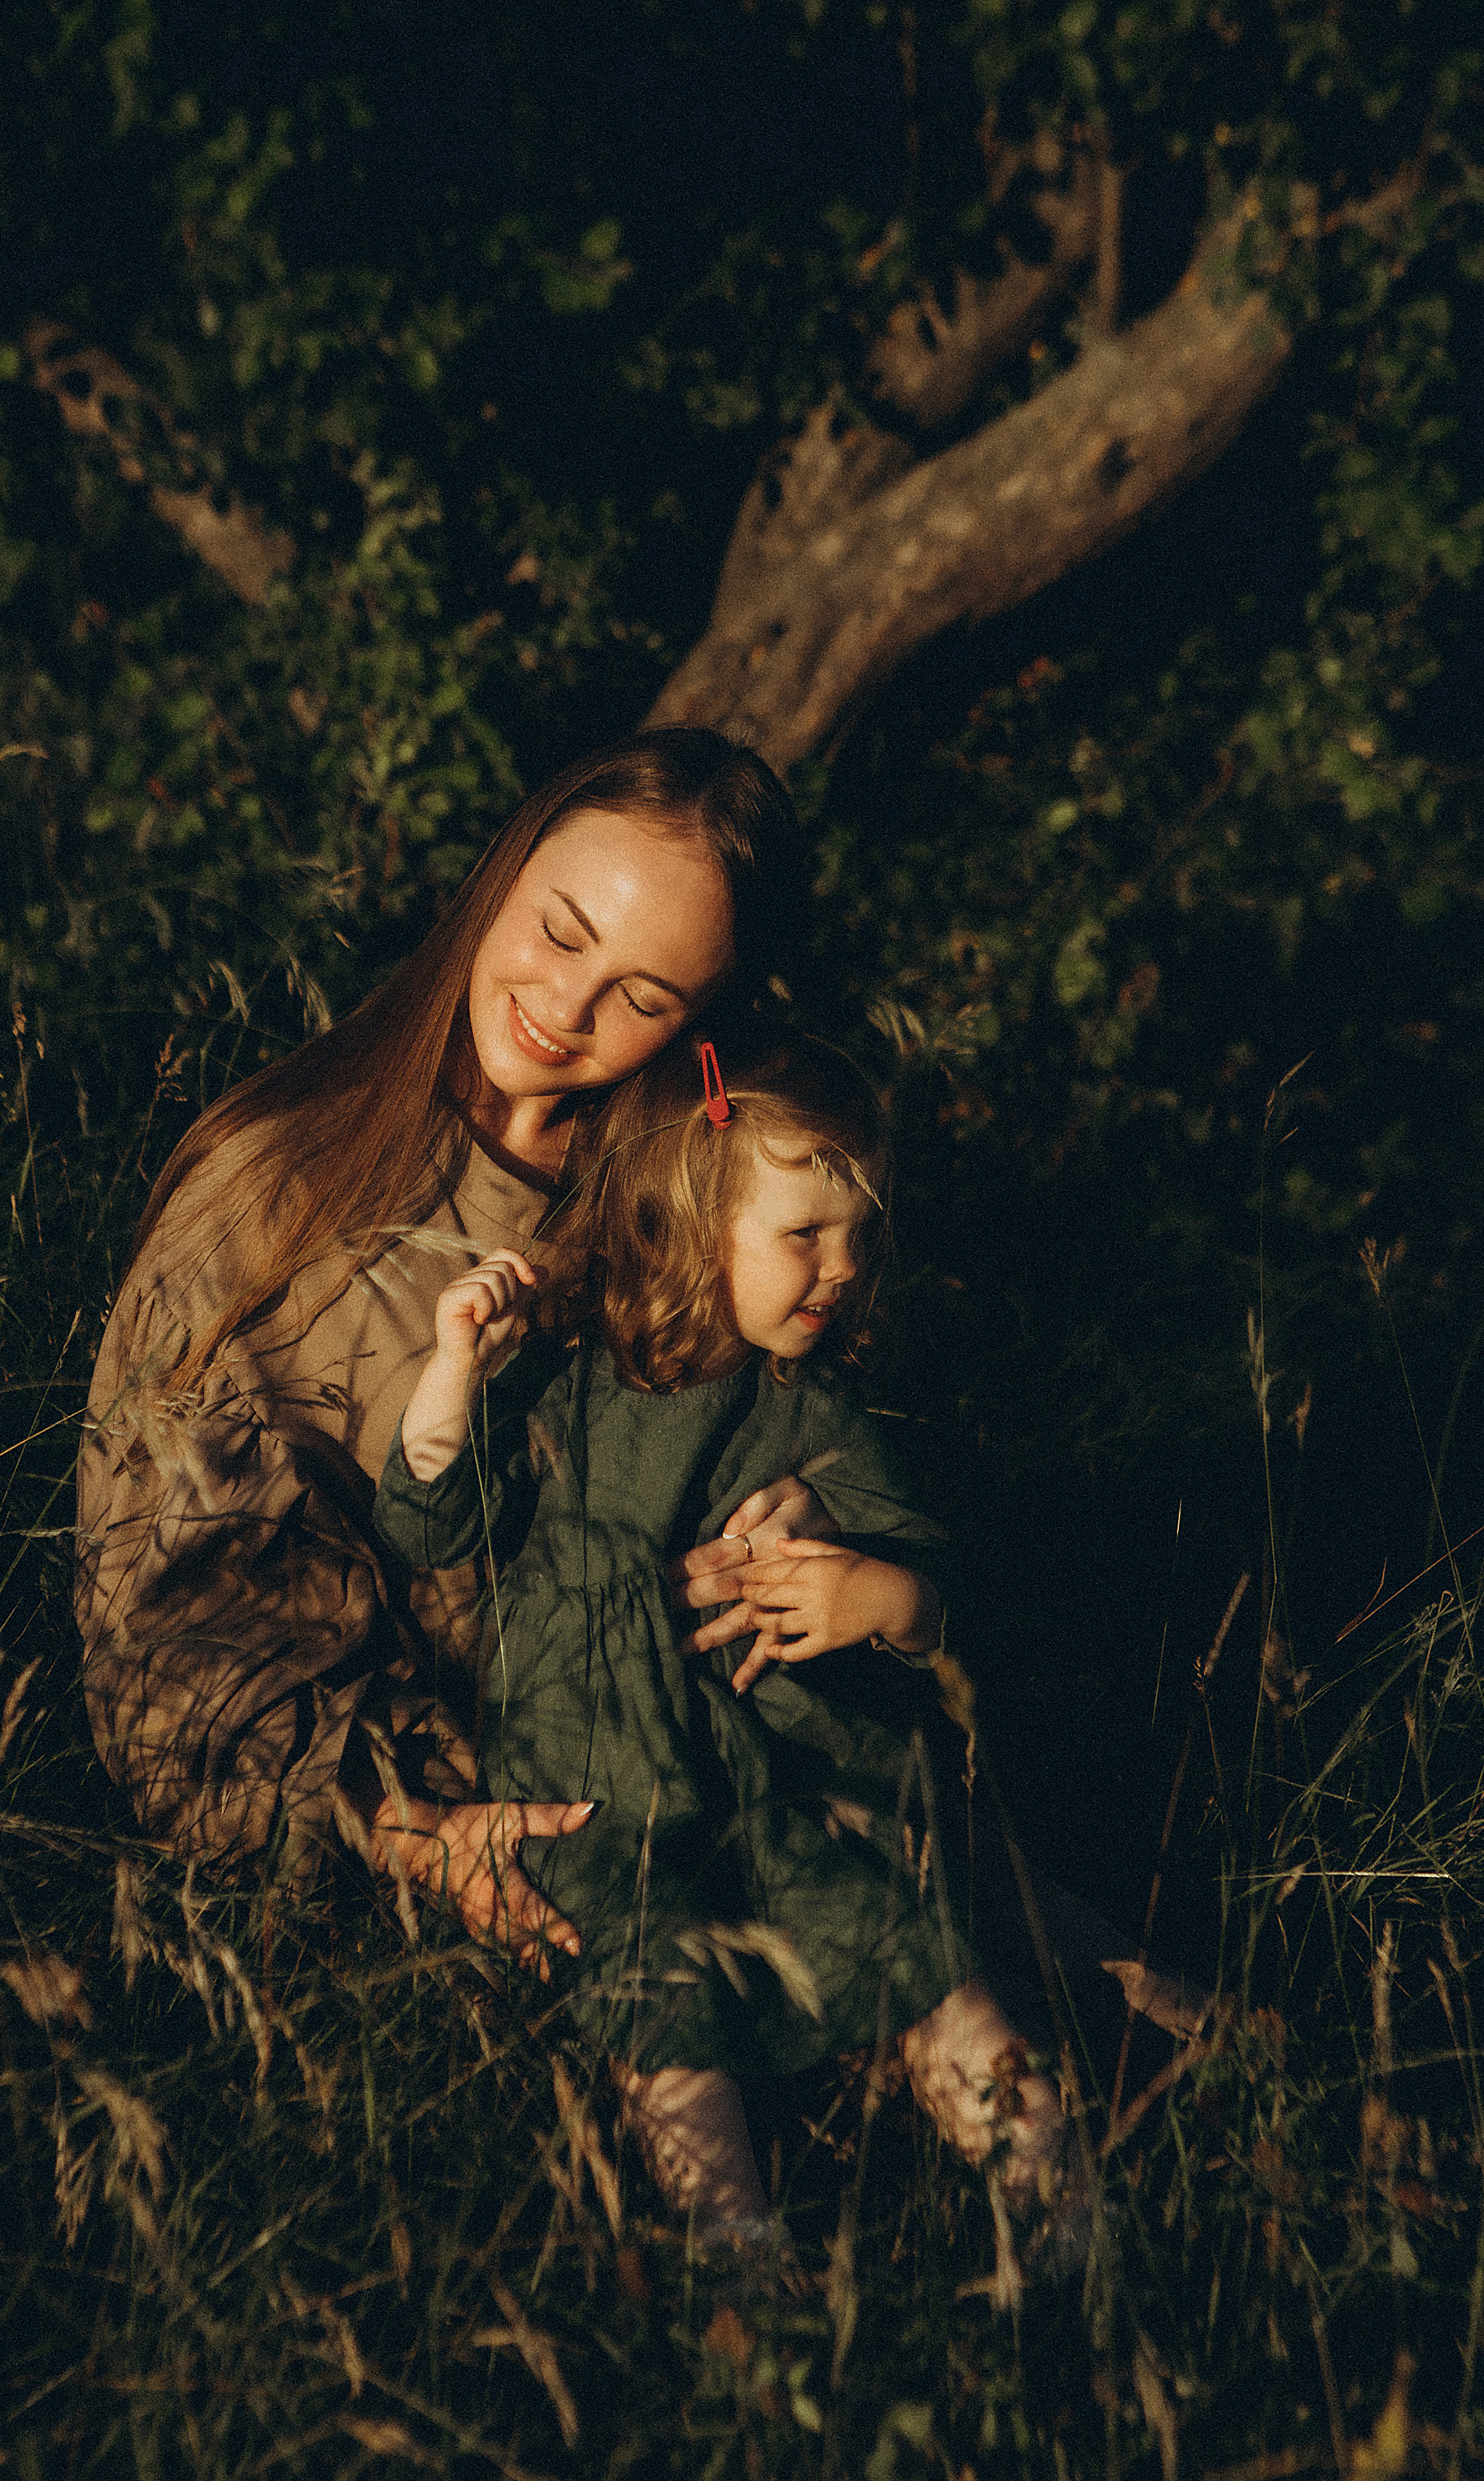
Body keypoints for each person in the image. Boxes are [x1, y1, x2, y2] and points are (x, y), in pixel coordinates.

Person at [76, 730, 837, 1959]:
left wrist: (788, 1513)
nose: (568, 1008)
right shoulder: (270, 1195)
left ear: (703, 1027)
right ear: (501, 880)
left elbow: (796, 1435)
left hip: (720, 1784)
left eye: (646, 998)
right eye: (560, 932)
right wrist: (401, 1830)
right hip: (437, 1855)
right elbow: (162, 1631)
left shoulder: (703, 1204)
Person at [372, 1026, 1068, 2236]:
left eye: (857, 1239)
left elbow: (936, 1593)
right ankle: (736, 2260)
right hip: (601, 1805)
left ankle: (1062, 2216)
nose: (841, 1269)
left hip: (785, 1790)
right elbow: (432, 1523)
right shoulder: (560, 1388)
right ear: (695, 1226)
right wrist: (453, 1369)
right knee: (664, 2018)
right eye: (805, 1236)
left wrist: (876, 1597)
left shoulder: (807, 1411)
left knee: (921, 1966)